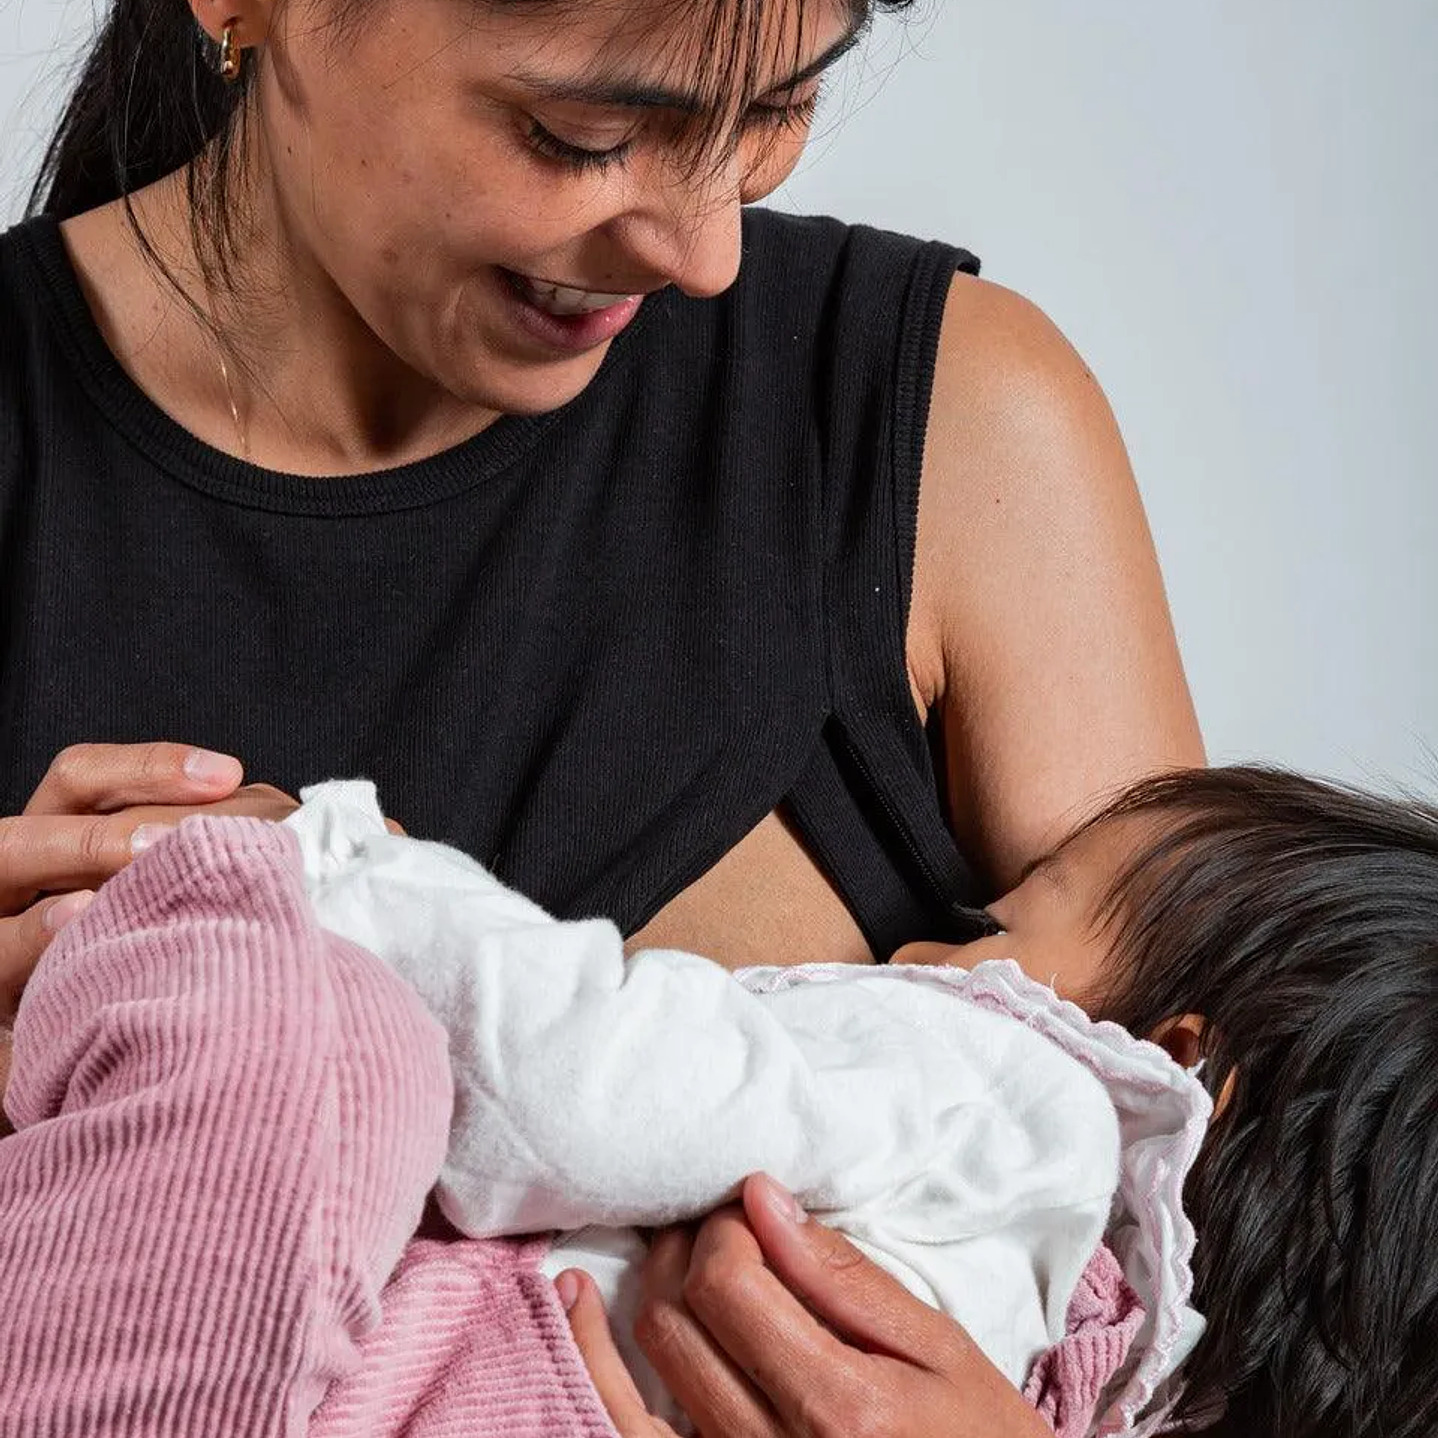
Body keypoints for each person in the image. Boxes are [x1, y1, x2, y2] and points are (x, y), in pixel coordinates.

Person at [0, 0, 1203, 1432]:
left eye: (773, 109)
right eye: (588, 135)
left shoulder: (956, 432)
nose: (706, 254)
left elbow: (1283, 1295)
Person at [4, 763, 1434, 1438]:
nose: (923, 950)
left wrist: (351, 866)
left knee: (336, 1035)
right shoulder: (1091, 1397)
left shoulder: (1027, 1095)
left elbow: (584, 1089)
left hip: (435, 1376)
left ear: (1173, 1056)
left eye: (1002, 917)